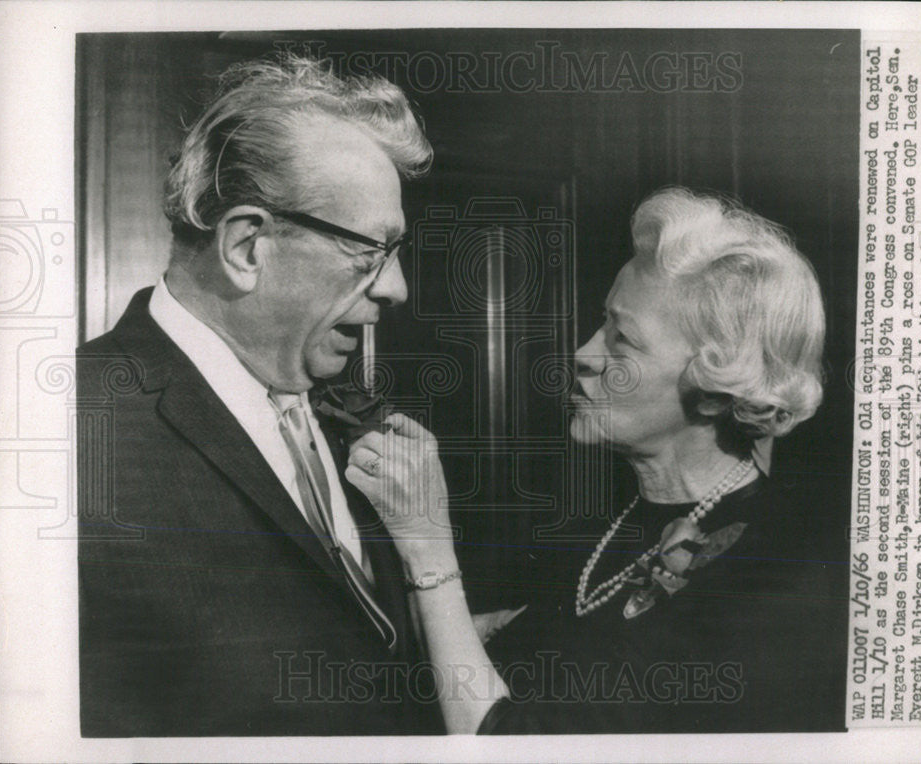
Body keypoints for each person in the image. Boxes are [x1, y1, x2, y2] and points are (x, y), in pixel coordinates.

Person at [348, 187, 843, 733]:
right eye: (602, 323)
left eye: (622, 339)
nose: (584, 355)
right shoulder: (611, 522)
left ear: (714, 388)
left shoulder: (768, 577)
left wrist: (427, 546)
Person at [76, 55, 444, 735]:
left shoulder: (336, 405)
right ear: (248, 246)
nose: (396, 289)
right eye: (372, 254)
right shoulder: (68, 432)